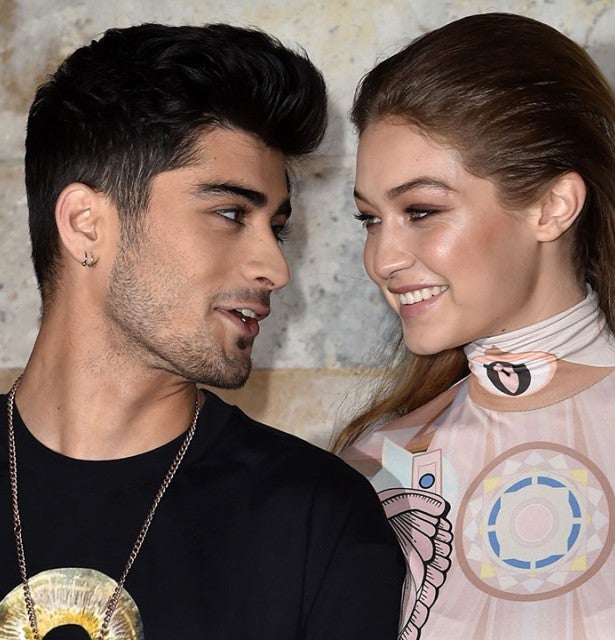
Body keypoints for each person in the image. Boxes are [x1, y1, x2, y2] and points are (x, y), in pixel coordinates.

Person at [0, 23, 405, 640]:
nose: (275, 269)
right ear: (86, 224)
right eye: (230, 213)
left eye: (276, 227)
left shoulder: (316, 522)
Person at [337, 12, 615, 640]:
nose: (382, 259)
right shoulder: (373, 469)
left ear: (552, 206)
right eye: (371, 219)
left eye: (421, 210)